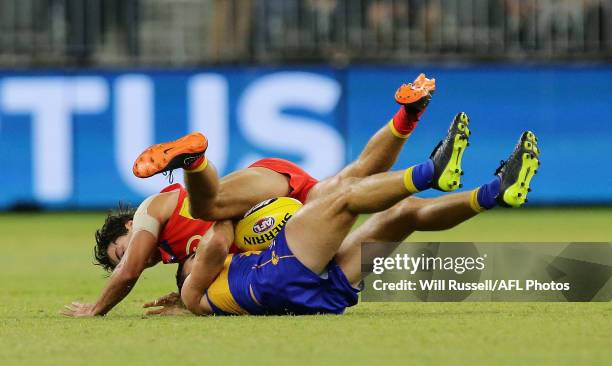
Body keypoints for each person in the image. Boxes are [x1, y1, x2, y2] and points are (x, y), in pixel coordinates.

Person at [62, 73, 436, 317]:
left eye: (122, 248)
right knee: (352, 180)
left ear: (128, 226)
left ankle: (193, 161)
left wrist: (96, 309)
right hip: (281, 212)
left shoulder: (150, 212)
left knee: (210, 204)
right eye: (127, 258)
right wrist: (189, 297)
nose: (134, 260)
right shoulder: (178, 256)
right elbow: (222, 271)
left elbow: (128, 274)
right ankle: (407, 115)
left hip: (258, 189)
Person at [175, 118, 540, 316]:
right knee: (345, 196)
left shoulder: (229, 277)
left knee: (403, 215)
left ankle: (494, 192)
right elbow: (216, 242)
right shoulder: (194, 291)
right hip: (280, 274)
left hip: (318, 296)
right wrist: (225, 216)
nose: (195, 250)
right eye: (187, 260)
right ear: (184, 277)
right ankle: (429, 173)